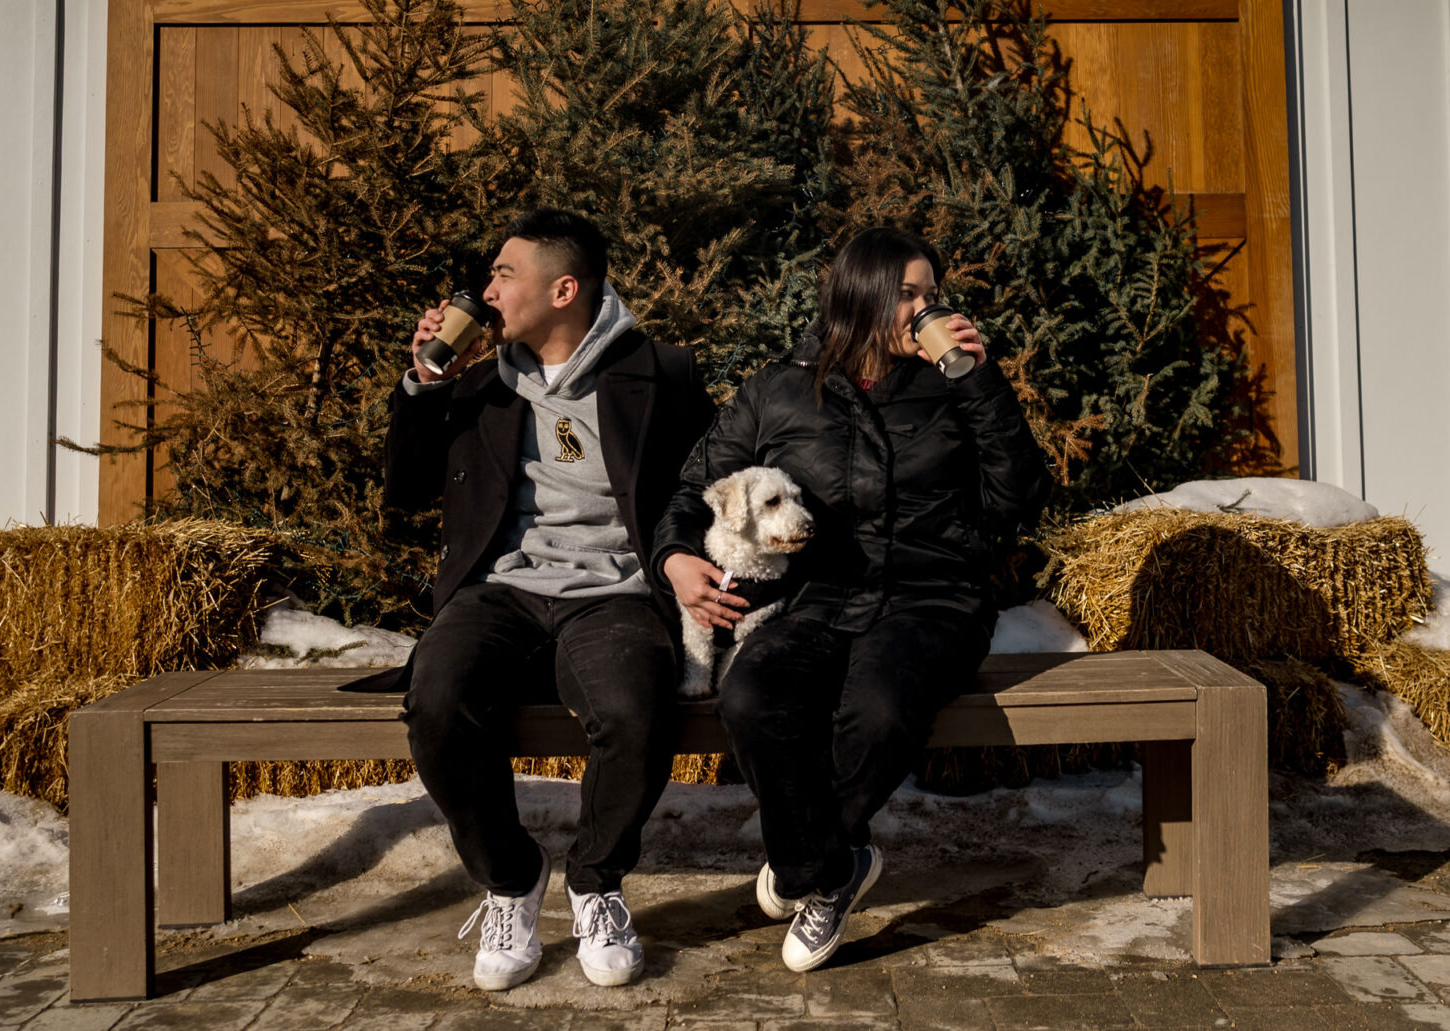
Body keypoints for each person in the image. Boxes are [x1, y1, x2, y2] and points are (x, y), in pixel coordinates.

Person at [652, 226, 1052, 973]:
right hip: (817, 595)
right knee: (751, 695)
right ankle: (836, 866)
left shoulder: (957, 386)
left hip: (933, 597)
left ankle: (809, 867)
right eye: (908, 293)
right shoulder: (780, 389)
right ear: (860, 297)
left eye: (932, 293)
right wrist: (675, 557)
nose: (925, 308)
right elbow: (690, 484)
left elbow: (1018, 500)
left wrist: (981, 385)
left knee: (878, 710)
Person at [385, 209, 716, 991]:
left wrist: (673, 560)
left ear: (564, 289)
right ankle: (511, 877)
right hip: (500, 589)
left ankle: (596, 880)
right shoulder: (476, 378)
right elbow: (403, 490)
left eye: (504, 274)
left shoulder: (660, 373)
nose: (486, 288)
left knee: (636, 709)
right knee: (435, 698)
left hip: (612, 592)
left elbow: (704, 484)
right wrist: (424, 383)